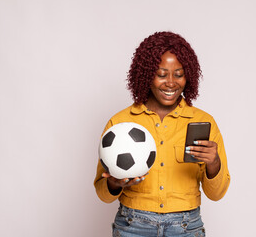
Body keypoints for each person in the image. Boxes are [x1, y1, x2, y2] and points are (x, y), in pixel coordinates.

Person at [94, 31, 230, 237]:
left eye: (178, 74)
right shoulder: (120, 123)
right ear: (147, 74)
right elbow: (103, 194)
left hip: (185, 227)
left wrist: (214, 163)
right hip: (133, 225)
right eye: (161, 74)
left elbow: (217, 194)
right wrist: (114, 183)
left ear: (188, 76)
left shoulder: (204, 122)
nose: (170, 83)